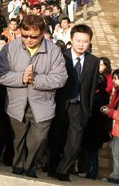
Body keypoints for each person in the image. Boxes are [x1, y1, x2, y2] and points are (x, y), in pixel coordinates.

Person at [0, 15, 67, 178]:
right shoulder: (10, 48)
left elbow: (60, 78)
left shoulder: (54, 51)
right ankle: (18, 166)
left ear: (42, 33)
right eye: (25, 35)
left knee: (39, 139)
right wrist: (22, 78)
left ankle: (30, 166)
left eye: (33, 36)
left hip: (43, 105)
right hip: (17, 103)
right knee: (18, 140)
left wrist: (36, 79)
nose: (28, 40)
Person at [48, 24, 99, 182]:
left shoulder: (93, 61)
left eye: (85, 41)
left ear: (89, 42)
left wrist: (88, 109)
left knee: (75, 142)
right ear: (71, 40)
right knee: (56, 139)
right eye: (78, 40)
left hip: (79, 106)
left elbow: (91, 87)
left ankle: (63, 170)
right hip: (61, 104)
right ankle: (52, 168)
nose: (81, 44)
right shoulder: (61, 56)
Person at [101, 69, 119, 184]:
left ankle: (116, 175)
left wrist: (109, 112)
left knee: (117, 154)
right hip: (116, 128)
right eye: (113, 78)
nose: (114, 80)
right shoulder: (117, 91)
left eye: (116, 78)